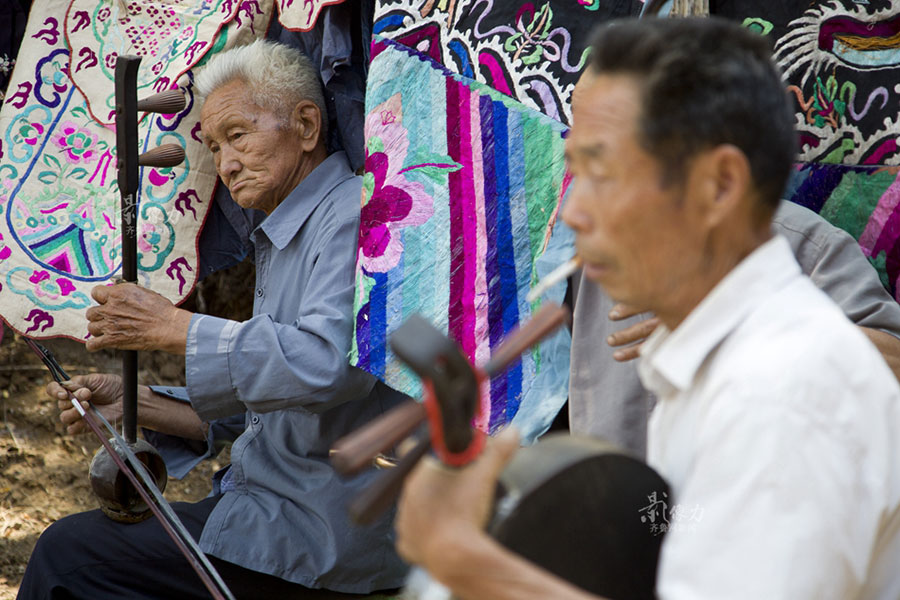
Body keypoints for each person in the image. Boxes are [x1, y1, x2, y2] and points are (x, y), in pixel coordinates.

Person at [394, 17, 900, 600]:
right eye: (572, 172)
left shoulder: (783, 393)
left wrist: (469, 564)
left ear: (719, 185)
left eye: (602, 173)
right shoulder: (716, 371)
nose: (573, 213)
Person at [18, 40, 407, 599]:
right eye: (215, 146)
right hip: (270, 512)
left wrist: (173, 329)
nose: (225, 164)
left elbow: (326, 366)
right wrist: (137, 403)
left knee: (72, 557)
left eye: (238, 136)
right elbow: (267, 408)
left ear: (305, 124)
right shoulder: (285, 229)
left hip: (317, 533)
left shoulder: (353, 214)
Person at [571, 199, 900, 456]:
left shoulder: (801, 241)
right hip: (609, 522)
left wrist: (749, 320)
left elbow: (892, 367)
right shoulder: (578, 250)